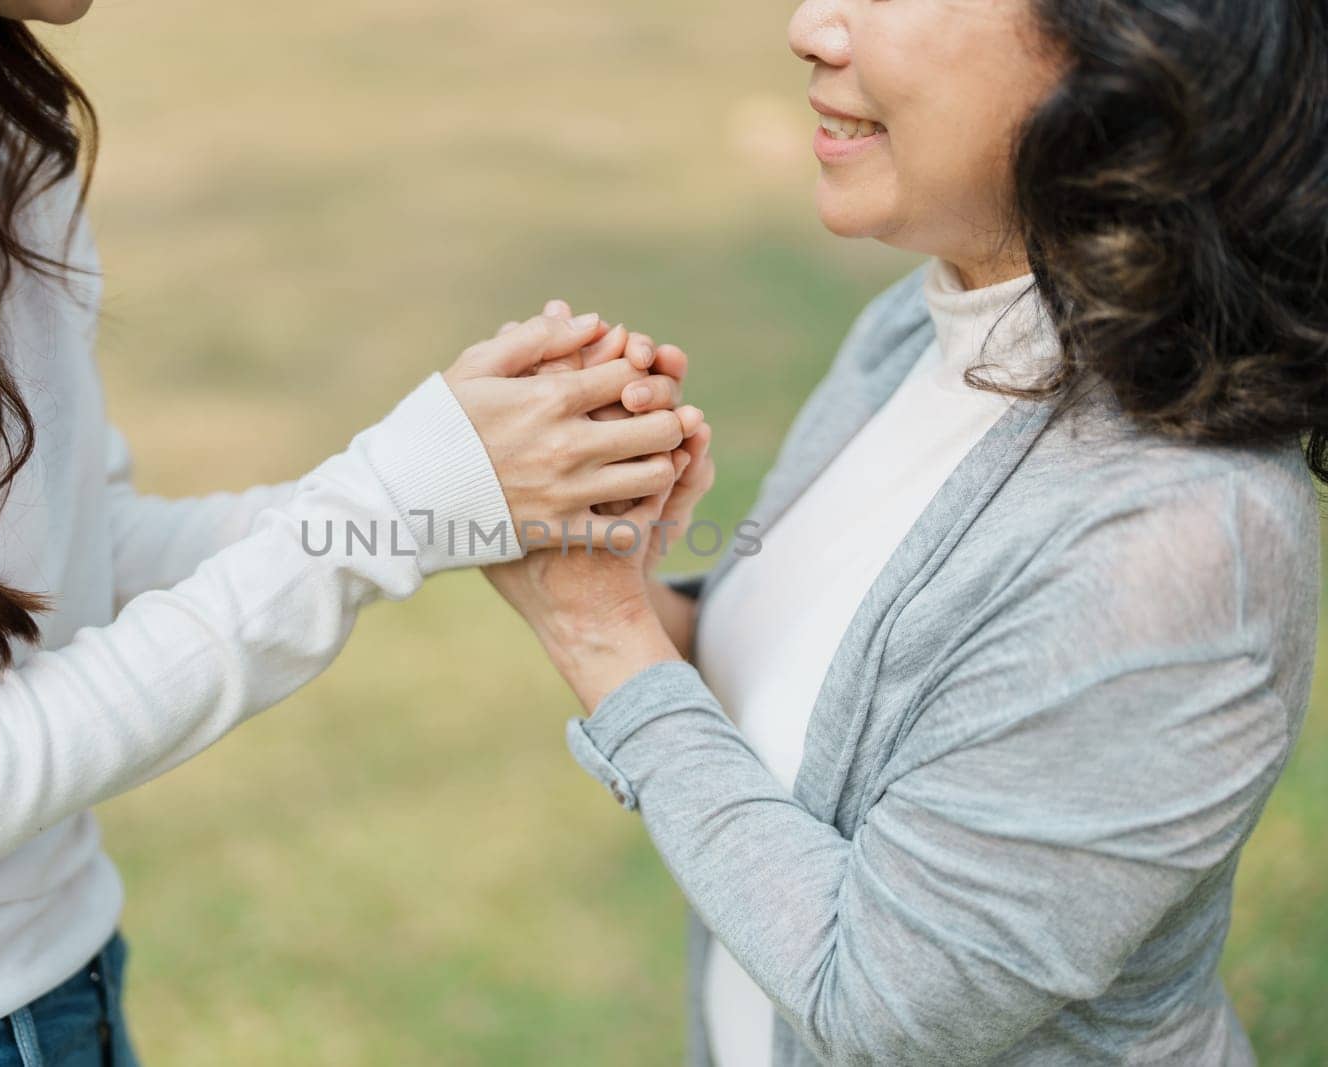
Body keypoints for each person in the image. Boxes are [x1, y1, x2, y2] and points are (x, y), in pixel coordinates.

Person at [0, 2, 706, 1064]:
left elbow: (83, 560)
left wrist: (463, 493)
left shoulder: (0, 133)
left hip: (65, 975)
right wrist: (398, 497)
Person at [487, 0, 1328, 1063]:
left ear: (1127, 52)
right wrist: (605, 569)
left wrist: (599, 637)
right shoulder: (919, 323)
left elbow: (882, 1005)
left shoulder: (1181, 540)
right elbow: (833, 717)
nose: (810, 27)